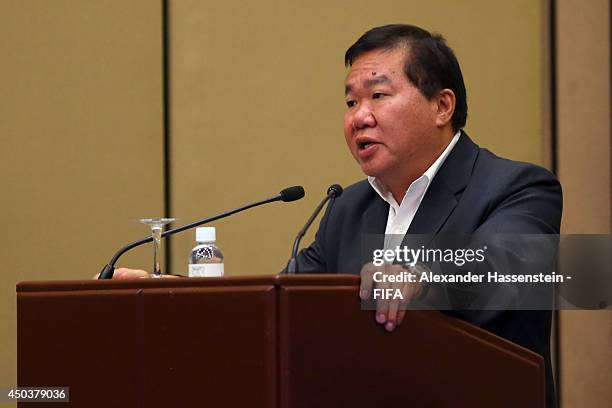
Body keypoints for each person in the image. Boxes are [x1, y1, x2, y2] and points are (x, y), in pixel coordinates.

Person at [110, 24, 562, 407]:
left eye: (378, 95)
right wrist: (180, 300)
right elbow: (277, 309)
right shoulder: (347, 208)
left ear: (442, 106)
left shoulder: (516, 187)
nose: (359, 117)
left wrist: (420, 273)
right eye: (350, 103)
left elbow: (516, 265)